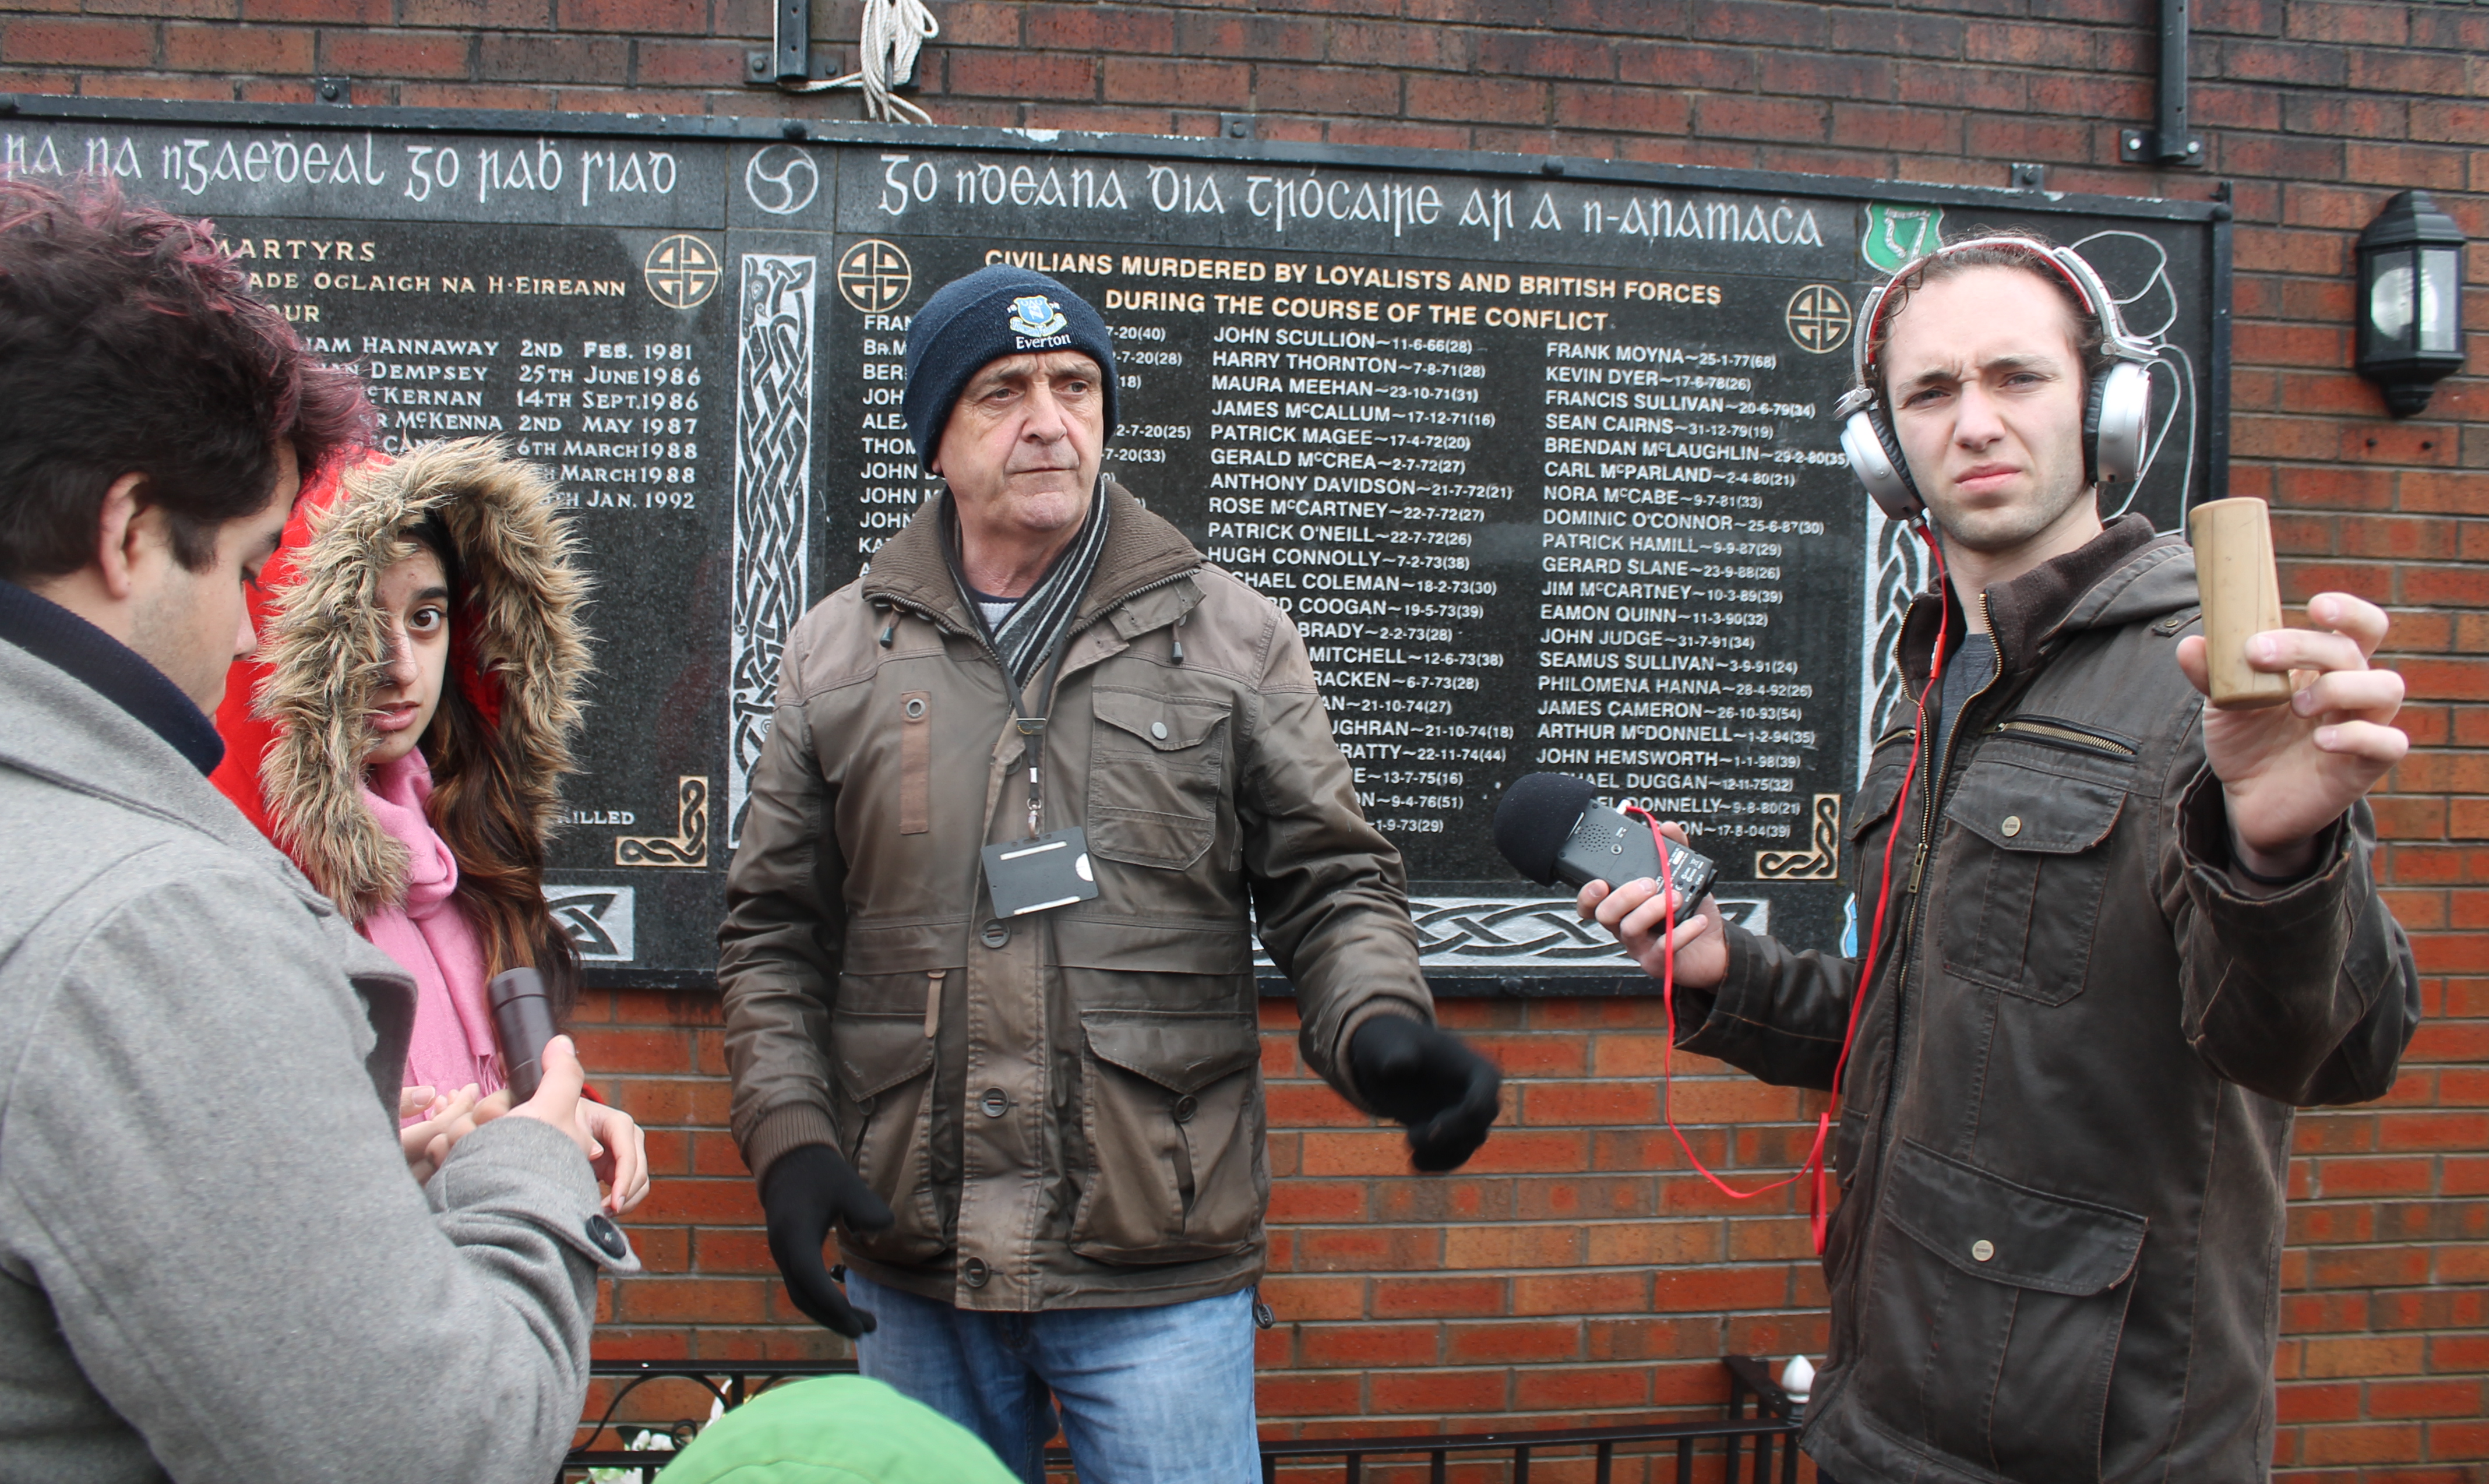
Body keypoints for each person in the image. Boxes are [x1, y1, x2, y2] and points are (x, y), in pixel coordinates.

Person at [1582, 235, 2417, 1483]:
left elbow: (2337, 1050)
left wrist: (2276, 847)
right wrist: (1727, 970)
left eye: (2016, 377)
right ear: (1885, 448)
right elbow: (1931, 1031)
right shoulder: (1934, 690)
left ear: (2105, 408)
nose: (1974, 421)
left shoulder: (2215, 688)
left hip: (2098, 1450)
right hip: (1884, 1413)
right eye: (1931, 392)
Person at [716, 265, 1504, 1484]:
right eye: (1003, 391)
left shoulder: (1234, 636)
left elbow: (1332, 884)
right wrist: (790, 1139)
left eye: (1075, 384)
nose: (1049, 417)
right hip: (917, 1257)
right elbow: (774, 930)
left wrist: (1382, 1026)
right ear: (936, 438)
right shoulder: (835, 651)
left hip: (1158, 1262)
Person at [0, 180, 637, 1482]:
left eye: (430, 617)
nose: (247, 635)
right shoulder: (157, 920)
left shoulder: (472, 867)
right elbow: (419, 1445)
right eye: (244, 571)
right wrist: (518, 1168)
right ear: (129, 532)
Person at [210, 434, 648, 1214]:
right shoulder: (247, 873)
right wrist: (374, 1167)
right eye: (357, 626)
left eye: (425, 618)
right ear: (291, 643)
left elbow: (495, 1086)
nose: (399, 667)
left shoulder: (464, 841)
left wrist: (566, 1111)